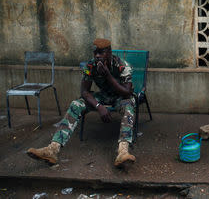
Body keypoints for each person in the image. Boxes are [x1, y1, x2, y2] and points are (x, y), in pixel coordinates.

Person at [27, 38, 137, 168]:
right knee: (76, 104)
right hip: (103, 96)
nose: (97, 56)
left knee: (129, 104)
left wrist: (108, 75)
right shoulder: (90, 66)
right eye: (95, 52)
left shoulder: (122, 65)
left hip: (121, 97)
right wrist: (98, 106)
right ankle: (52, 149)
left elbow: (127, 92)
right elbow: (84, 91)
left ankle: (123, 151)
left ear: (109, 52)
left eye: (100, 52)